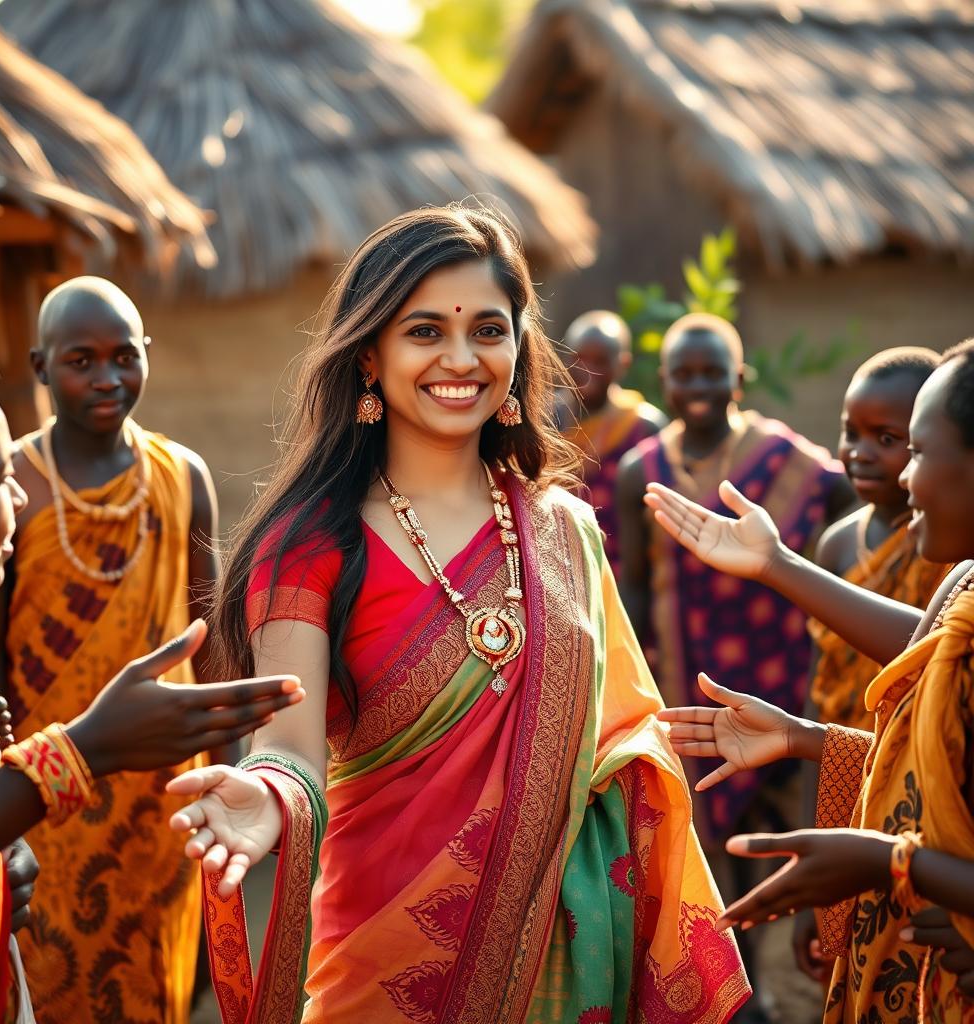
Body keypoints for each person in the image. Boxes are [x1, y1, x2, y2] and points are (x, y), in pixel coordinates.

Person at [166, 206, 750, 1022]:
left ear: (518, 345)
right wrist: (268, 798)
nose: (460, 358)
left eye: (487, 329)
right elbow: (289, 750)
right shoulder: (308, 545)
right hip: (382, 958)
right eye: (425, 331)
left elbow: (621, 734)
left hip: (568, 953)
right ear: (369, 354)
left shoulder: (563, 533)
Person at [0, 335, 304, 1024]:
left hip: (151, 809)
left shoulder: (180, 475)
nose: (19, 493)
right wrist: (82, 752)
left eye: (124, 356)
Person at [647, 337, 974, 1022]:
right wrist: (808, 739)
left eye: (913, 449)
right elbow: (924, 746)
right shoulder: (962, 588)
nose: (904, 477)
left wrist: (894, 866)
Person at [0, 277, 222, 1023]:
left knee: (162, 990)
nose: (107, 379)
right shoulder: (10, 486)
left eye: (123, 357)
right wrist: (7, 808)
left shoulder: (182, 477)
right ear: (41, 368)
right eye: (81, 361)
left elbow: (212, 642)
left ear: (148, 356)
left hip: (166, 801)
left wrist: (229, 774)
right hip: (46, 801)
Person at [616, 312, 855, 848]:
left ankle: (792, 920)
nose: (698, 386)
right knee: (701, 813)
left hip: (779, 659)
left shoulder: (781, 454)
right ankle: (729, 931)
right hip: (686, 668)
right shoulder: (642, 470)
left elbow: (847, 495)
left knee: (783, 803)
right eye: (685, 374)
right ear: (663, 382)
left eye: (712, 373)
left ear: (739, 380)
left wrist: (830, 572)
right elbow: (634, 584)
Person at [807, 347, 945, 732]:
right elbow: (821, 677)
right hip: (838, 749)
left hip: (923, 745)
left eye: (886, 439)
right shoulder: (837, 543)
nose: (859, 453)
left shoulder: (948, 545)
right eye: (851, 433)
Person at [560, 310, 667, 575]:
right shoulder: (545, 419)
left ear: (623, 364)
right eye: (579, 359)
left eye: (600, 361)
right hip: (557, 568)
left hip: (624, 572)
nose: (587, 371)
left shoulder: (643, 427)